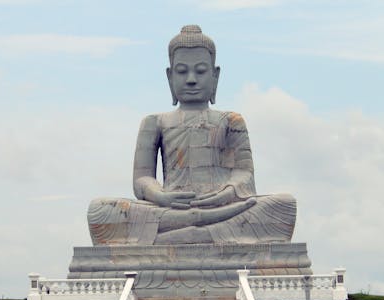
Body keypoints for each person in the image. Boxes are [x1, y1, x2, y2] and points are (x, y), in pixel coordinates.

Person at [88, 25, 296, 245]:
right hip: (169, 207)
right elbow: (142, 179)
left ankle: (179, 236)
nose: (191, 79)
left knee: (283, 204)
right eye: (181, 71)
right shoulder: (154, 122)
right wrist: (160, 196)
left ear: (215, 75)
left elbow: (244, 175)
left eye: (200, 71)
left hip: (223, 206)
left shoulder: (231, 120)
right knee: (100, 210)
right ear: (169, 76)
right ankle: (205, 232)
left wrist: (225, 194)